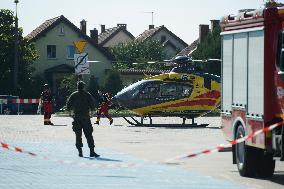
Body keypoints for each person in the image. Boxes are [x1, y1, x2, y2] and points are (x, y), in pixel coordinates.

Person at [66, 81, 100, 158]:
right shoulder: (87, 95)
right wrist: (91, 114)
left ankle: (80, 152)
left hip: (77, 118)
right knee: (89, 135)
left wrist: (71, 114)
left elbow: (68, 106)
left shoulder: (73, 95)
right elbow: (92, 106)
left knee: (78, 135)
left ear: (77, 86)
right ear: (83, 87)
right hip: (86, 118)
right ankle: (92, 152)